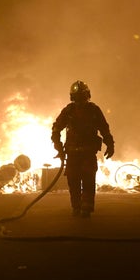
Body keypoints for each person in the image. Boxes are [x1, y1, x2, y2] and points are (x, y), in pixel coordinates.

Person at [51, 80, 115, 218]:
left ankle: (85, 207)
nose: (80, 100)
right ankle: (76, 206)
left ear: (87, 95)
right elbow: (56, 128)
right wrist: (58, 147)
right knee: (74, 181)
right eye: (77, 97)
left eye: (82, 96)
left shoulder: (94, 110)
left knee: (88, 179)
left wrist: (110, 144)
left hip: (88, 152)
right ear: (73, 98)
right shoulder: (69, 111)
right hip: (74, 153)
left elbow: (104, 128)